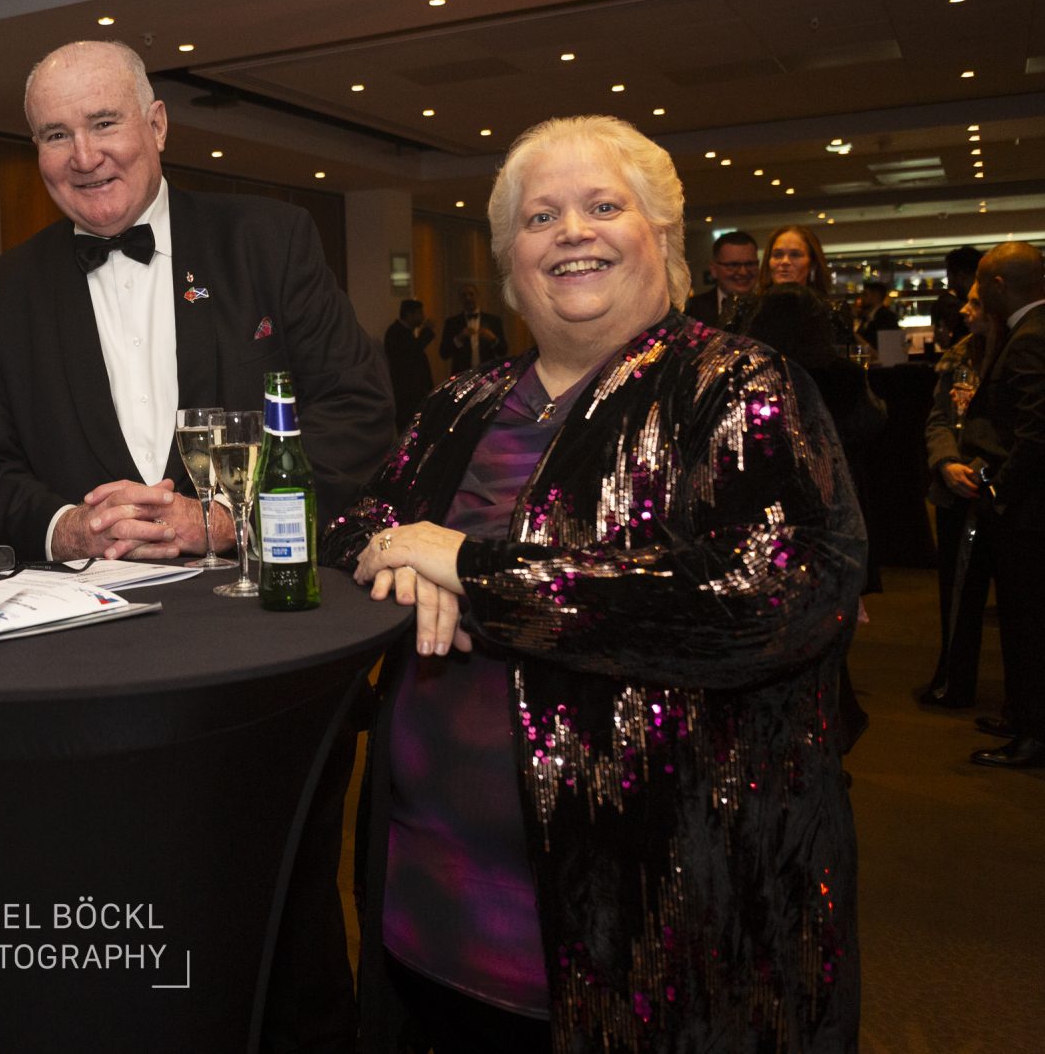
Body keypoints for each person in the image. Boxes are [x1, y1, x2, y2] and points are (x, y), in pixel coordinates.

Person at [324, 115, 862, 1052]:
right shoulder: (461, 402)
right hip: (427, 914)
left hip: (656, 938)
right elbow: (357, 525)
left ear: (663, 236)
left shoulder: (735, 384)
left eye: (604, 206)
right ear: (511, 259)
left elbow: (775, 595)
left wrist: (476, 571)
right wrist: (402, 550)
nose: (571, 231)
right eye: (541, 217)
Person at [0, 39, 389, 1053]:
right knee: (121, 932)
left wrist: (226, 518)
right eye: (55, 135)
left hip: (265, 661)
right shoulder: (5, 290)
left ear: (156, 125)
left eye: (103, 122)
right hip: (89, 678)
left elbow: (358, 418)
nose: (84, 155)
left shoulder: (267, 239)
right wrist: (66, 524)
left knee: (285, 924)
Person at [746, 282, 883, 754]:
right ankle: (827, 739)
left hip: (770, 518)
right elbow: (870, 426)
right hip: (827, 515)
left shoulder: (749, 373)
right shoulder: (840, 375)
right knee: (825, 641)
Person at [954, 241, 1045, 768]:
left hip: (1028, 513)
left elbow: (1036, 431)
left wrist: (1001, 491)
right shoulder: (1028, 330)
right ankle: (1022, 716)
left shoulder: (1030, 337)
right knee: (1021, 619)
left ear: (998, 286)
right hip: (1026, 508)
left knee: (1027, 621)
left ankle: (1033, 732)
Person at [922, 281, 1000, 708]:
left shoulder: (1019, 351)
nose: (965, 310)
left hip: (1003, 489)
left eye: (975, 303)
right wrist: (947, 462)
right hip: (955, 489)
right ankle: (953, 679)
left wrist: (976, 466)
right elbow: (938, 419)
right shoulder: (960, 356)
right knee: (955, 593)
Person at [683, 228, 756, 329]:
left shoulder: (769, 308)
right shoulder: (691, 309)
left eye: (750, 264)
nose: (743, 272)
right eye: (733, 265)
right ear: (714, 269)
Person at [384, 298, 436, 431]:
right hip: (406, 394)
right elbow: (412, 352)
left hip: (413, 393)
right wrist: (427, 331)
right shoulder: (396, 332)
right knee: (408, 429)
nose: (423, 317)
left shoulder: (404, 332)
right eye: (419, 313)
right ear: (409, 314)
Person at [439, 284, 507, 378]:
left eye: (471, 294)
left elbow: (503, 351)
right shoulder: (452, 323)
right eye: (464, 295)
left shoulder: (493, 321)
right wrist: (458, 339)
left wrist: (493, 339)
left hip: (487, 375)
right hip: (461, 376)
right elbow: (444, 354)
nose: (468, 298)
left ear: (478, 296)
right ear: (460, 299)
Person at [931, 245, 983, 352]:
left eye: (949, 275)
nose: (949, 282)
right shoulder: (993, 302)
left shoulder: (948, 304)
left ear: (961, 275)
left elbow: (945, 341)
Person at [853, 280, 901, 355]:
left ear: (876, 297)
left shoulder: (886, 317)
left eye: (865, 295)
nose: (861, 298)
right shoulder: (867, 318)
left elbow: (885, 350)